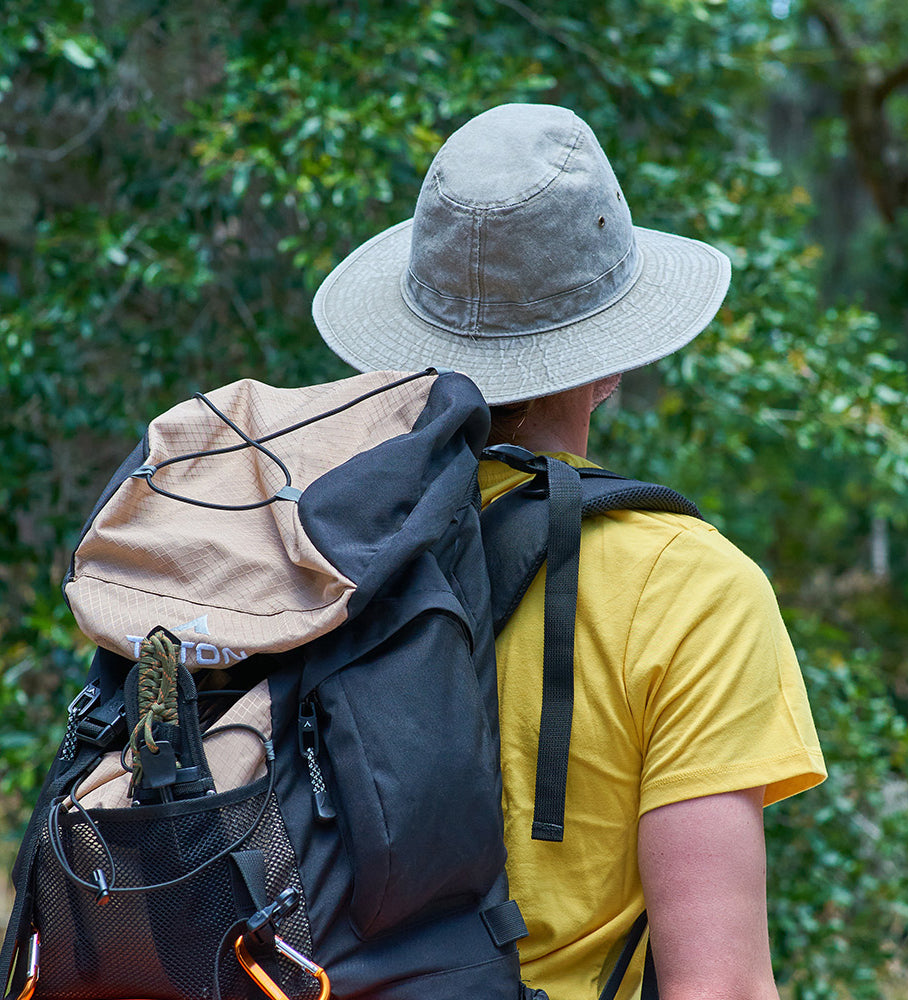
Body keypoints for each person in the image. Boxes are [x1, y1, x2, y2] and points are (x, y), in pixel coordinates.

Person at [311, 103, 827, 1000]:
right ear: (610, 359)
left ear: (415, 343)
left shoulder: (308, 540)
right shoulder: (691, 589)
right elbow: (722, 985)